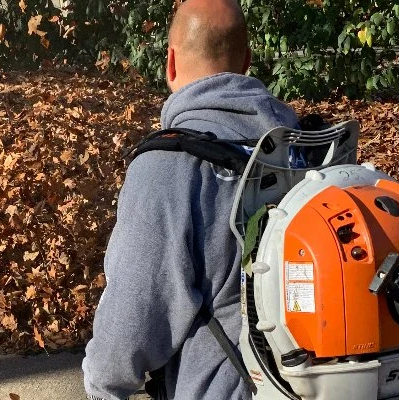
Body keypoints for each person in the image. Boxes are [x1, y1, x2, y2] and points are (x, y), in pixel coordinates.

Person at [81, 0, 300, 399]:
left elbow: (132, 322)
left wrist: (102, 386)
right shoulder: (308, 147)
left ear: (170, 62)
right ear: (247, 61)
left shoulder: (168, 167)